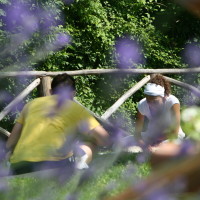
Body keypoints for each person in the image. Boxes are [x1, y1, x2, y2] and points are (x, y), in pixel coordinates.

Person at [6, 74, 110, 175]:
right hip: (54, 165)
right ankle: (77, 168)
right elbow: (105, 140)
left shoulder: (30, 105)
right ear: (73, 93)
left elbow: (10, 142)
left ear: (50, 91)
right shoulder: (75, 108)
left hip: (19, 167)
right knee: (90, 143)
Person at [135, 74, 185, 150]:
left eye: (155, 102)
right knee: (125, 141)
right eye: (148, 101)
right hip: (151, 136)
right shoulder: (142, 104)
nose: (151, 104)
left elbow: (174, 132)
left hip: (172, 137)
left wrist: (157, 144)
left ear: (164, 97)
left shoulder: (173, 102)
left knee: (165, 147)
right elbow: (137, 134)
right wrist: (143, 144)